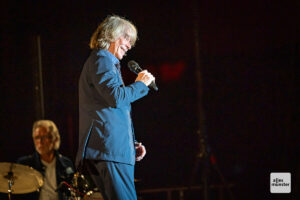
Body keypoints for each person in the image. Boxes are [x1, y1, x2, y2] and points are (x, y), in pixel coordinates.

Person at [75, 15, 155, 200]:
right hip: (108, 152)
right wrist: (141, 84)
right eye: (126, 38)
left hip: (110, 150)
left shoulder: (103, 61)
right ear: (111, 35)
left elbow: (109, 110)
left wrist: (129, 145)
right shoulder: (102, 59)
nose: (129, 45)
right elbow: (116, 98)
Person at [17, 120, 75, 200]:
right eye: (37, 137)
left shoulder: (66, 163)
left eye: (45, 137)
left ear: (55, 139)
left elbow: (72, 192)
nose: (40, 141)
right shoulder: (25, 164)